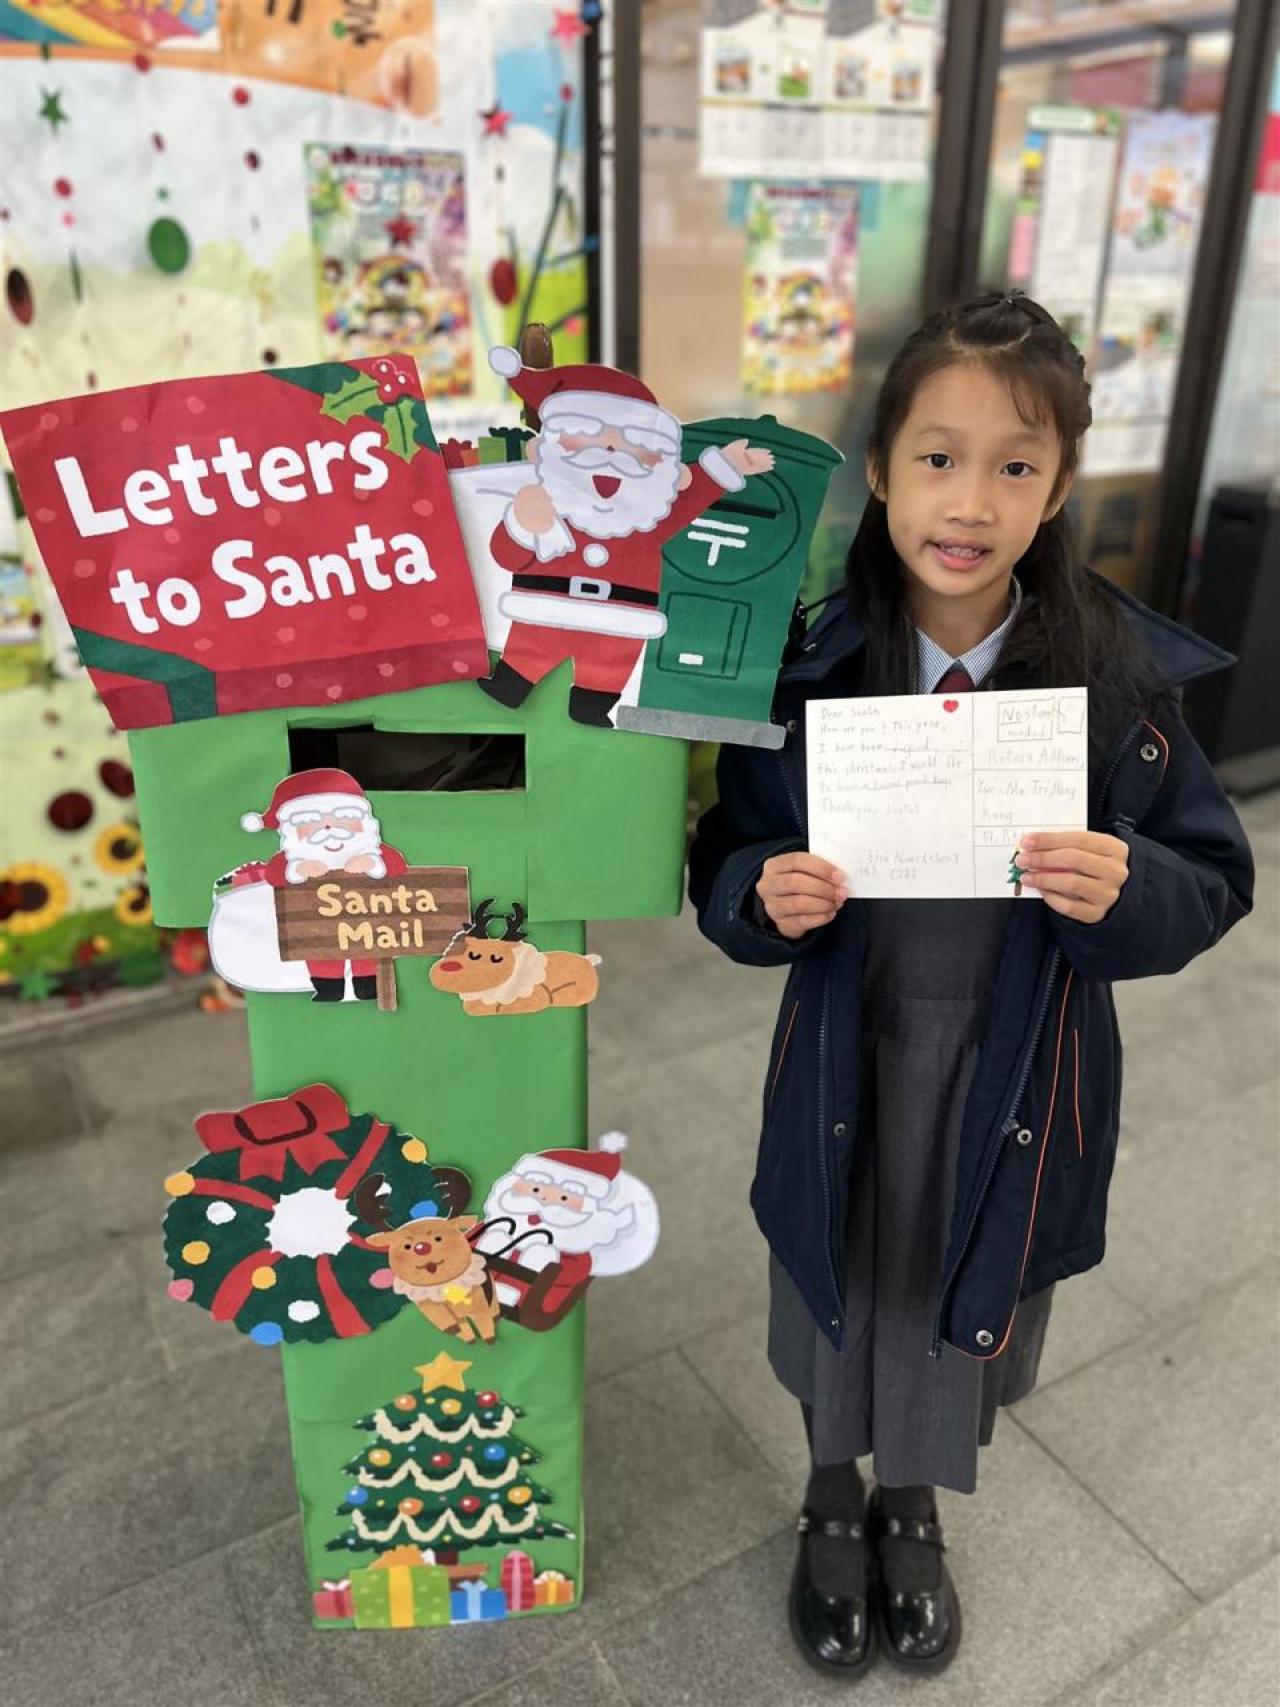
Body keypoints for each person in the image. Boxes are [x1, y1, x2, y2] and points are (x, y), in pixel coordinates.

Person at [688, 291, 1253, 1680]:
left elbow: (1213, 877)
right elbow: (725, 857)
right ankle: (830, 1494)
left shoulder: (1116, 687)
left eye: (1016, 465)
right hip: (853, 1046)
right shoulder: (812, 670)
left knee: (957, 1281)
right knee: (842, 1274)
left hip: (1014, 1063)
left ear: (1057, 491)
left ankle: (913, 1505)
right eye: (938, 457)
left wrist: (1131, 882)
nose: (971, 501)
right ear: (882, 471)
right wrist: (760, 894)